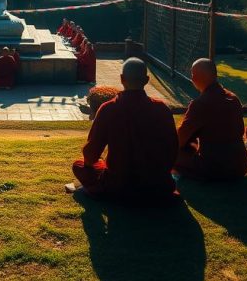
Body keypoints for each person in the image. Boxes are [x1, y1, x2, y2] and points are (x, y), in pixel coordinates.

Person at [70, 58, 178, 202]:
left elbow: (90, 155)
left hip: (118, 186)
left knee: (79, 165)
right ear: (147, 80)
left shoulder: (109, 109)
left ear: (122, 79)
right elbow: (173, 150)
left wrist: (96, 165)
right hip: (157, 185)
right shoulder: (162, 109)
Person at [174, 59, 247, 181]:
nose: (192, 78)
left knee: (170, 153)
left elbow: (180, 139)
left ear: (195, 78)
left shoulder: (201, 103)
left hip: (215, 167)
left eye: (193, 75)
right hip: (241, 165)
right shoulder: (233, 98)